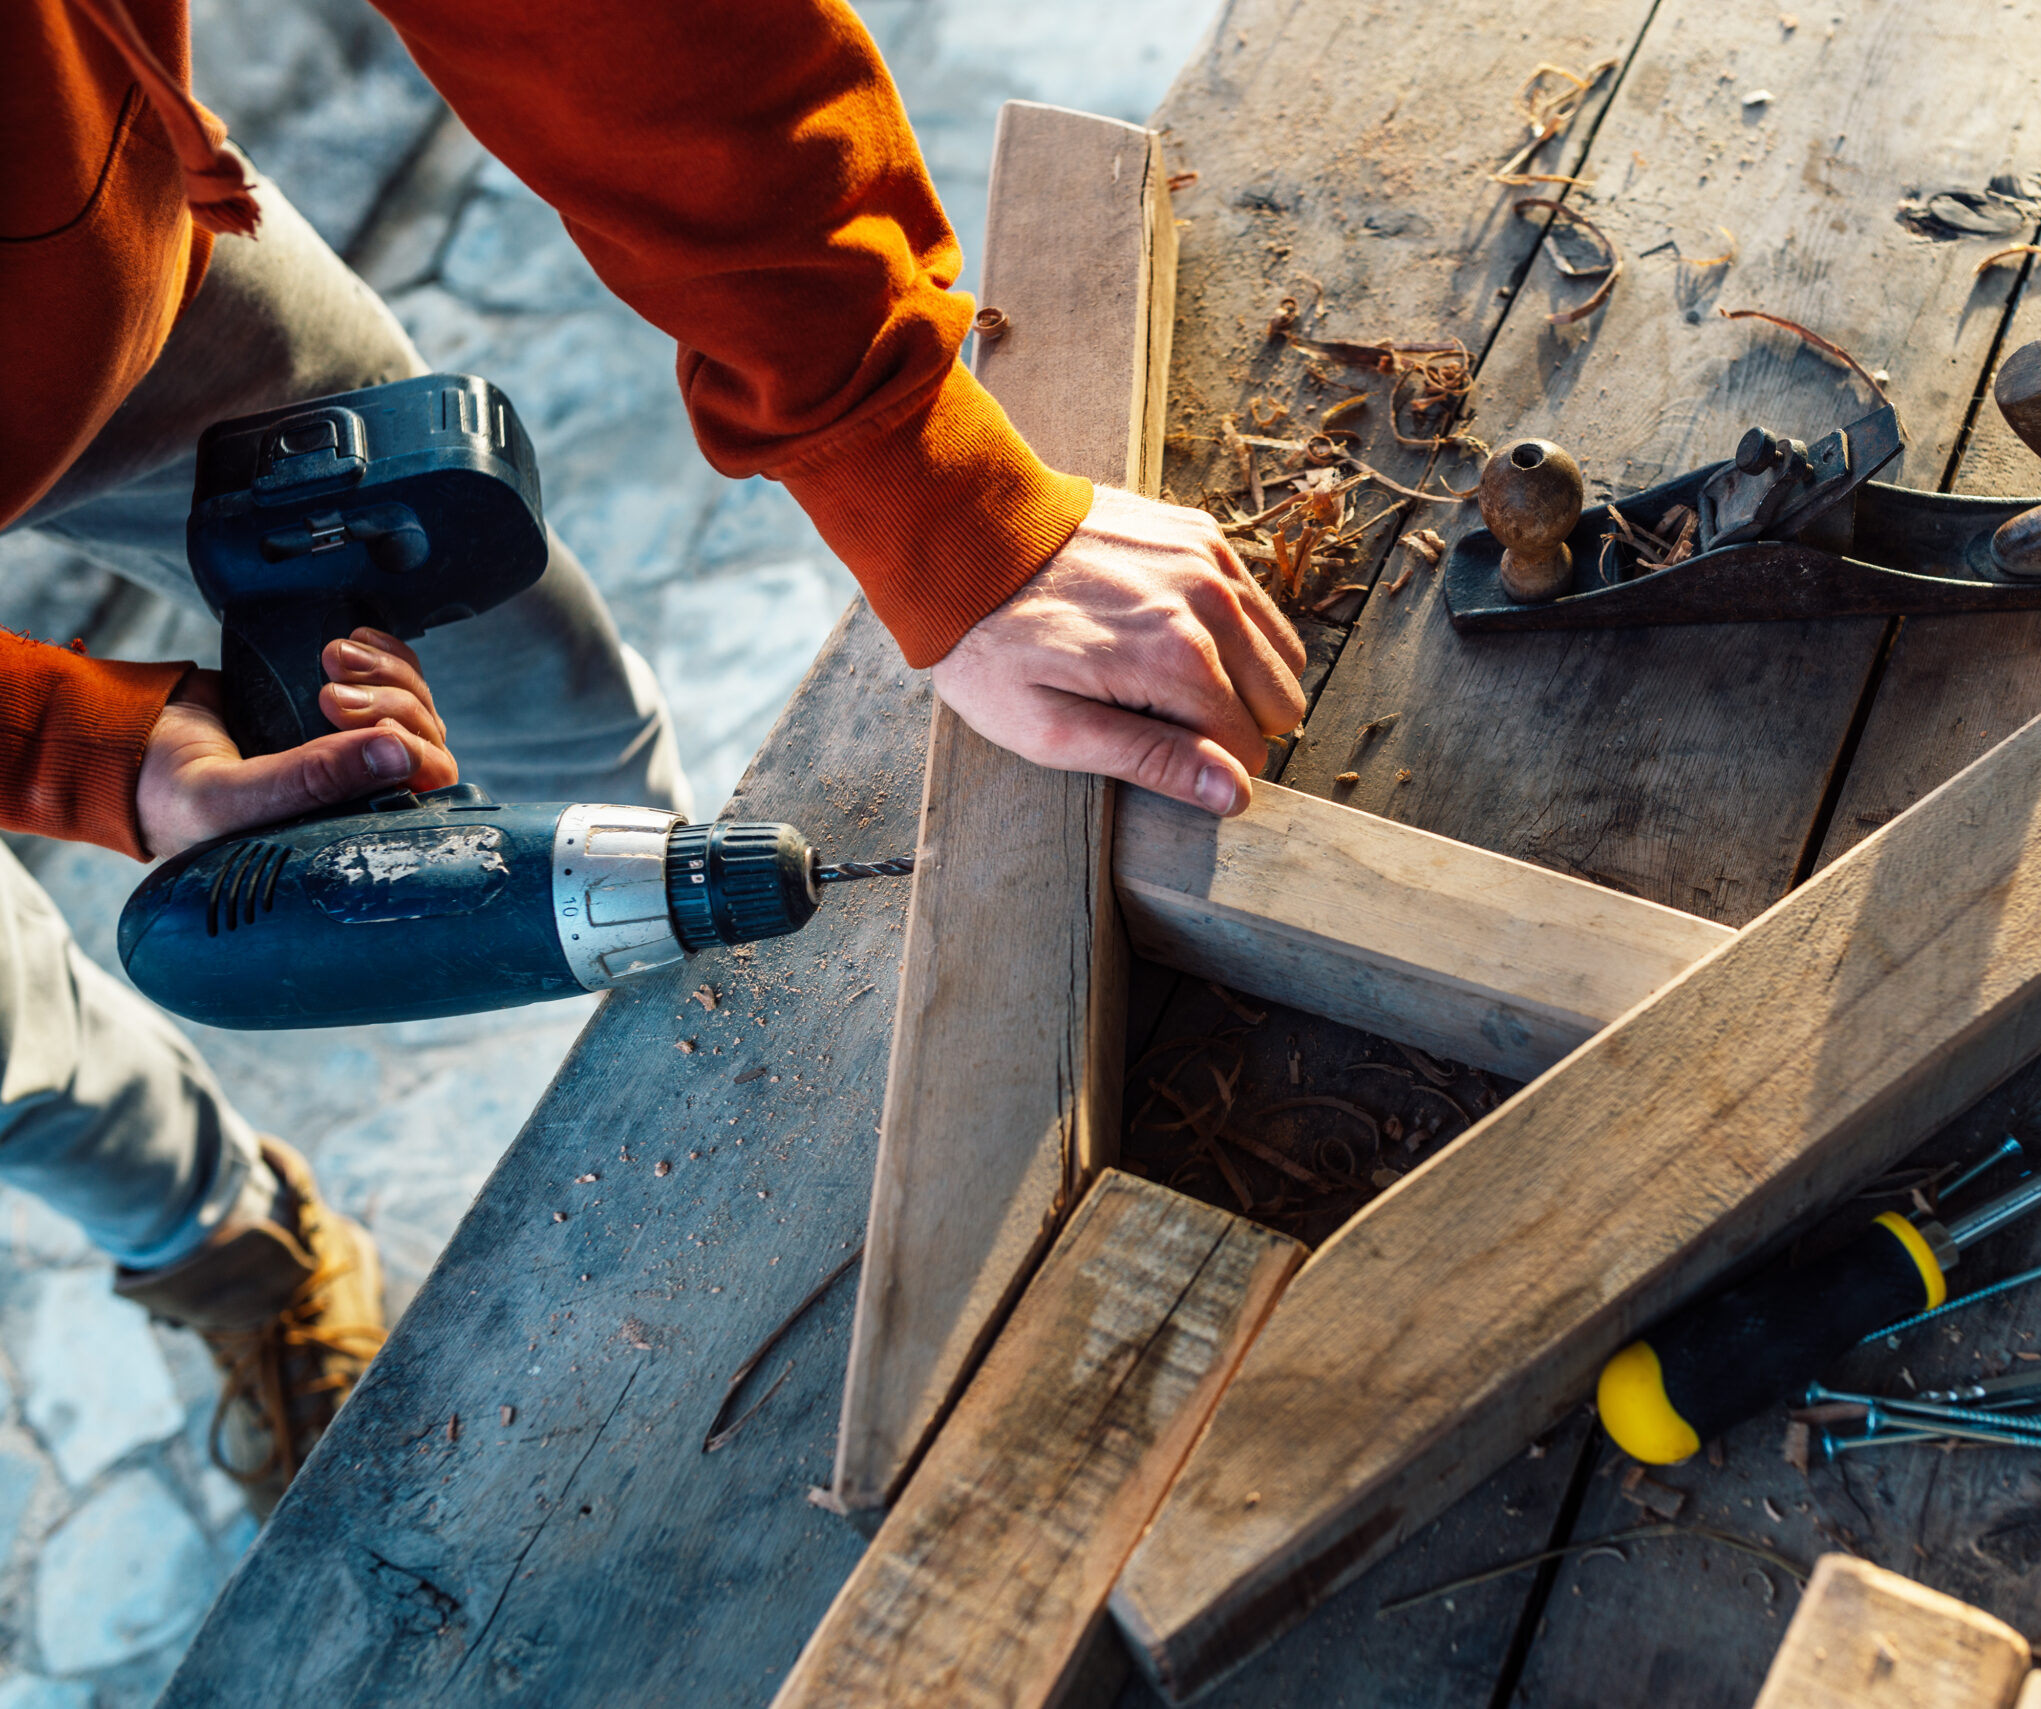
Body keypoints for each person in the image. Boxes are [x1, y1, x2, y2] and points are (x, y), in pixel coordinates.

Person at [3, 0, 1306, 1513]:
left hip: (98, 278)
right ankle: (233, 1250)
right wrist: (73, 749)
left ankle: (660, 957)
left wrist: (927, 481)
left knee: (514, 638)